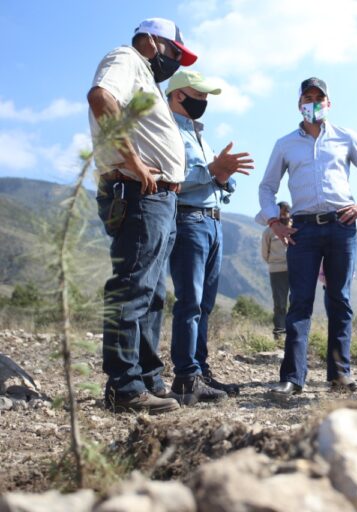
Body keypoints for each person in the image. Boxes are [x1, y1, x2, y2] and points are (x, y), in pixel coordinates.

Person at [88, 18, 197, 414]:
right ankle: (123, 386)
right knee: (132, 286)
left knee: (152, 295)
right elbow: (101, 98)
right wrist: (135, 161)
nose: (175, 61)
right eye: (174, 52)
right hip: (138, 192)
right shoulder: (127, 58)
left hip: (159, 197)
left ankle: (148, 378)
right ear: (151, 41)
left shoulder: (149, 81)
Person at [257, 77, 357, 397]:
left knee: (339, 299)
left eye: (319, 97)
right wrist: (274, 221)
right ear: (299, 104)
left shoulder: (346, 137)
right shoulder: (285, 144)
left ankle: (340, 374)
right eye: (307, 97)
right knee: (299, 301)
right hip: (303, 229)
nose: (313, 102)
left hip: (342, 224)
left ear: (329, 103)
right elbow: (266, 187)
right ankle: (292, 378)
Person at [166, 70, 252, 405]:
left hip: (213, 222)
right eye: (197, 95)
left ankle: (200, 371)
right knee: (189, 302)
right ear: (177, 95)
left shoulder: (199, 135)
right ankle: (186, 377)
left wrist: (224, 175)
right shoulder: (169, 130)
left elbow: (217, 180)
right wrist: (214, 171)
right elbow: (174, 177)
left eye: (205, 97)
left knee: (204, 304)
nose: (203, 102)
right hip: (188, 220)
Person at [262, 202, 292, 340]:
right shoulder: (269, 231)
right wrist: (274, 262)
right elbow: (264, 252)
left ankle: (294, 334)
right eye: (280, 212)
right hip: (277, 270)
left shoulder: (297, 228)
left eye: (285, 212)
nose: (282, 215)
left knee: (297, 301)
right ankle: (279, 334)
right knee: (279, 303)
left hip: (296, 269)